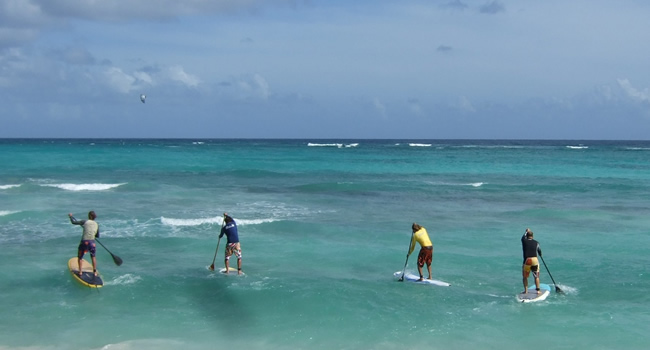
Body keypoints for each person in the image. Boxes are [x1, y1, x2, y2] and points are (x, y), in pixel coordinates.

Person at [69, 211, 100, 277]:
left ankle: (80, 272)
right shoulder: (97, 224)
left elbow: (73, 222)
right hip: (92, 242)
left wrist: (71, 216)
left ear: (89, 216)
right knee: (93, 256)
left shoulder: (85, 222)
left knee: (80, 257)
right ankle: (95, 272)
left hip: (85, 242)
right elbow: (97, 235)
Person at [521, 228, 543, 294]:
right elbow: (539, 251)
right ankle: (538, 291)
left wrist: (526, 231)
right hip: (535, 260)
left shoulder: (524, 241)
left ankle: (526, 291)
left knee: (525, 277)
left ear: (527, 236)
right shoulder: (537, 243)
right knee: (536, 276)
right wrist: (540, 255)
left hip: (527, 260)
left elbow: (522, 237)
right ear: (532, 236)